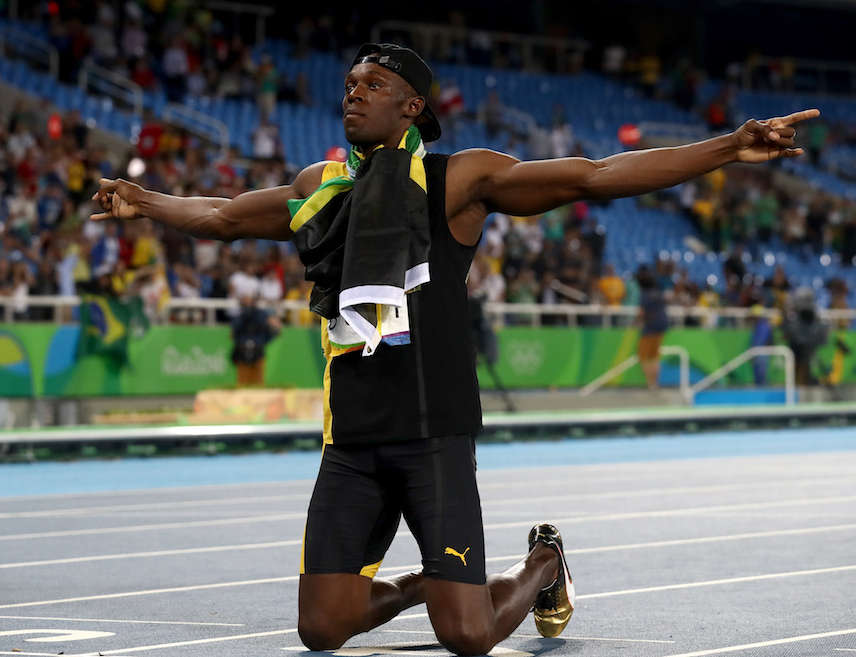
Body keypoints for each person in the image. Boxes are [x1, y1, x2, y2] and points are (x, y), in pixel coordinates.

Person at [91, 42, 818, 655]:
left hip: (433, 434)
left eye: (374, 85)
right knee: (322, 626)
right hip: (353, 438)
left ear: (412, 109)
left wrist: (728, 147)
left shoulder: (460, 181)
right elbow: (223, 215)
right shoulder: (322, 188)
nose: (353, 94)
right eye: (348, 84)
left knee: (468, 637)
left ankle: (544, 562)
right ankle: (423, 584)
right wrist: (146, 200)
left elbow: (593, 175)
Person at [635, 265, 669, 390]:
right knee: (655, 357)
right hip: (661, 327)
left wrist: (635, 323)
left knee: (644, 357)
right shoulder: (657, 292)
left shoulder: (644, 294)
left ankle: (651, 384)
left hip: (650, 328)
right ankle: (655, 384)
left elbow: (642, 313)